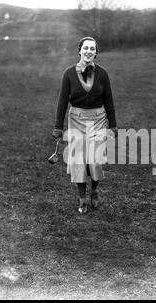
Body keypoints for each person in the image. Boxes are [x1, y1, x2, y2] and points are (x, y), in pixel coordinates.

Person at [52, 36, 117, 214]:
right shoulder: (69, 73)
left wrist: (113, 125)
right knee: (79, 160)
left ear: (96, 52)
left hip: (98, 119)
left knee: (95, 159)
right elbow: (62, 101)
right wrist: (58, 126)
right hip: (76, 120)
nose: (89, 51)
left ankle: (94, 190)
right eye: (85, 48)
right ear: (79, 50)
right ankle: (82, 199)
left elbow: (109, 100)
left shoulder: (102, 74)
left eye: (92, 49)